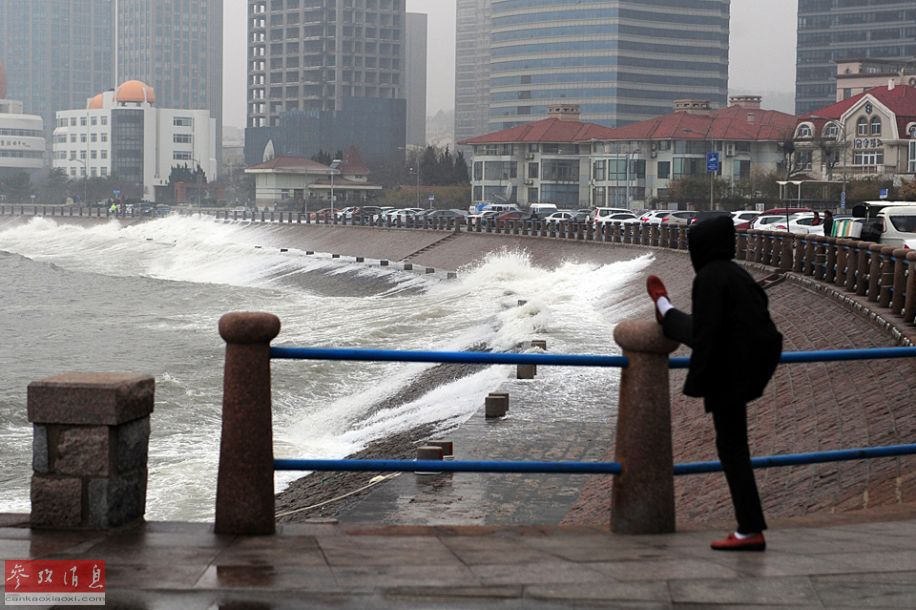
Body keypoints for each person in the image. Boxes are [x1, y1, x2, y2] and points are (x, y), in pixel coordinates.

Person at [646, 215, 783, 551]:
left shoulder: (708, 278)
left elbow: (703, 335)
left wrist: (676, 325)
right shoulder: (737, 273)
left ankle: (749, 530)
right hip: (750, 366)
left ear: (701, 248)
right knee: (735, 447)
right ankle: (749, 526)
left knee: (732, 449)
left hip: (728, 372)